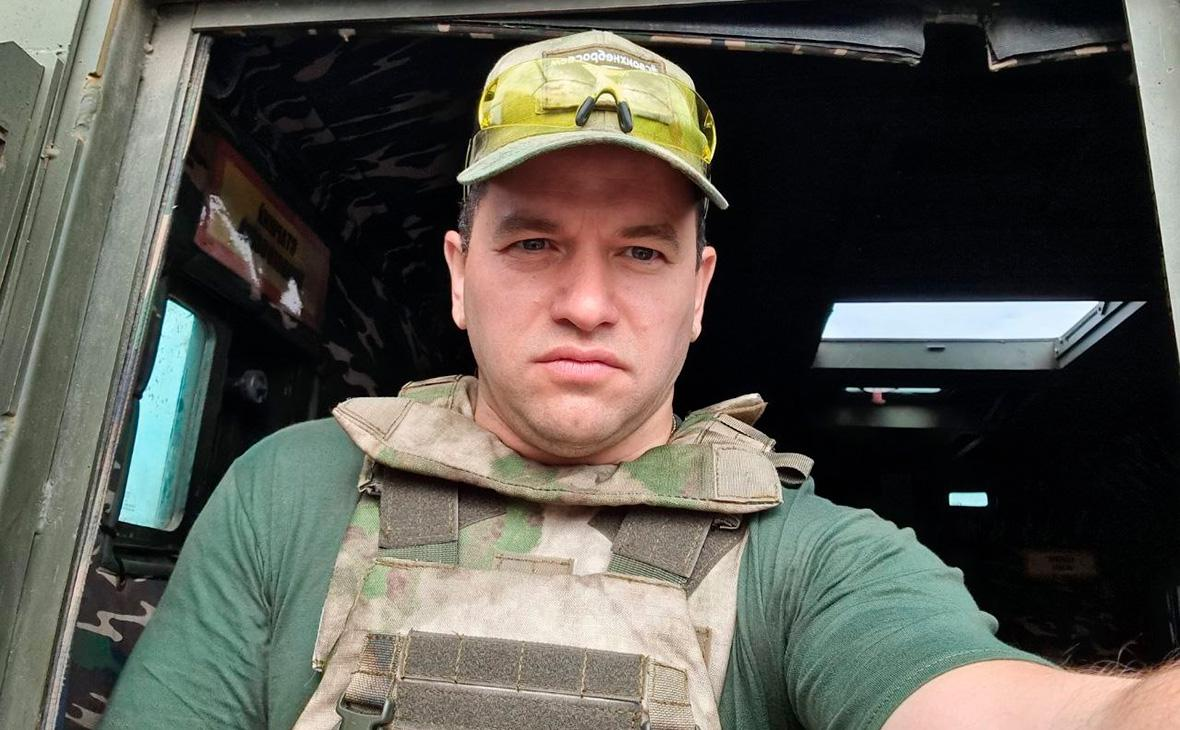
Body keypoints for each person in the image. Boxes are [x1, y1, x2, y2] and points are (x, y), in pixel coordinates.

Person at [103, 30, 1175, 730]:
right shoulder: (293, 490)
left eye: (641, 251)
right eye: (533, 244)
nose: (586, 301)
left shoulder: (806, 558)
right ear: (459, 276)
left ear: (698, 291)